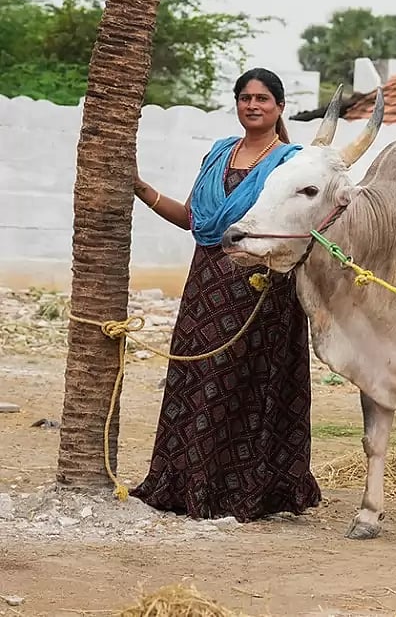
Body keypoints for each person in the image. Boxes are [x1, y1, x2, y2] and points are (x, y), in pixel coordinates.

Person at [129, 68, 322, 522]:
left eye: (262, 99)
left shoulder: (291, 163)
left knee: (245, 383)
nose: (252, 106)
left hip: (261, 290)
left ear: (279, 107)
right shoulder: (217, 155)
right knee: (196, 377)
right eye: (244, 98)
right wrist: (140, 188)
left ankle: (247, 494)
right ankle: (186, 485)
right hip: (206, 285)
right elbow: (194, 220)